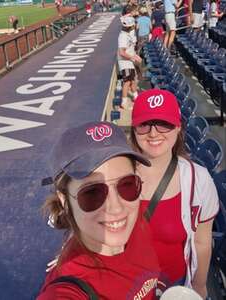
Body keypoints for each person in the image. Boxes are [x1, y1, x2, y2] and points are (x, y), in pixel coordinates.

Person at [37, 121, 164, 299]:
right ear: (64, 199)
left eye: (127, 185)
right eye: (92, 193)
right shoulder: (67, 290)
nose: (117, 207)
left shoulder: (137, 219)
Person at [130, 89, 219, 299]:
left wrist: (199, 287)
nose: (153, 133)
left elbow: (202, 242)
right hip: (125, 286)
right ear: (134, 129)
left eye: (164, 124)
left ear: (178, 127)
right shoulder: (117, 174)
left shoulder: (199, 180)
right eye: (144, 124)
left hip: (174, 289)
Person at [117, 16, 142, 109]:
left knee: (133, 79)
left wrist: (135, 56)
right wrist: (133, 57)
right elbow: (122, 52)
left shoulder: (128, 34)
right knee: (127, 82)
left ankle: (136, 97)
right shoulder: (123, 37)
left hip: (130, 61)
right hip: (125, 62)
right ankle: (123, 102)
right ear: (130, 26)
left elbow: (129, 49)